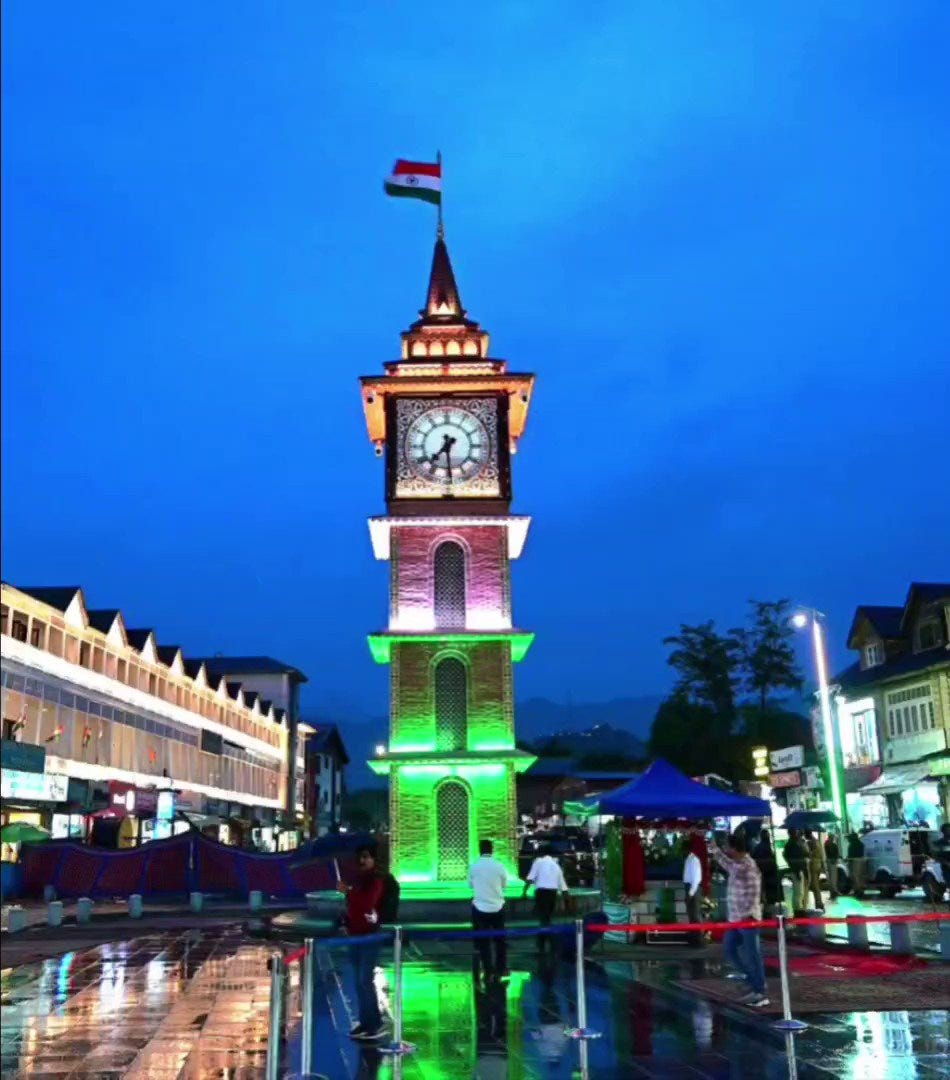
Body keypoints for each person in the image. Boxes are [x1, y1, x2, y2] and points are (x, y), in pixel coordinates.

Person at [709, 831, 768, 1007]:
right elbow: (726, 864)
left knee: (752, 955)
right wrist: (714, 848)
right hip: (735, 919)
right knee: (729, 950)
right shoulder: (738, 864)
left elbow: (752, 894)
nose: (726, 850)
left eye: (727, 847)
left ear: (734, 849)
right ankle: (752, 981)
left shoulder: (747, 866)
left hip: (746, 919)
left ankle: (759, 990)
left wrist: (747, 914)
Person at [337, 844, 387, 1041]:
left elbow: (367, 903)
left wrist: (348, 891)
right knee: (358, 982)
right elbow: (355, 907)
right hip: (355, 935)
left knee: (364, 980)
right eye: (361, 857)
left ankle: (374, 1023)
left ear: (373, 859)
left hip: (369, 936)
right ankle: (366, 1021)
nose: (362, 861)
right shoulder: (358, 881)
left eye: (366, 857)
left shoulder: (375, 881)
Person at [468, 839, 509, 981]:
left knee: (483, 940)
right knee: (500, 940)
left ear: (480, 850)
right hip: (498, 906)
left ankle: (488, 968)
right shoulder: (499, 865)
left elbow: (470, 885)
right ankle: (501, 968)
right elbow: (504, 884)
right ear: (492, 850)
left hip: (480, 907)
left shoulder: (474, 866)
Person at [524, 845, 568, 952]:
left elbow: (530, 878)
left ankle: (547, 941)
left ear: (540, 853)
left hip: (541, 893)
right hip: (552, 894)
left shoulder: (538, 862)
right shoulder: (556, 865)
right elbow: (562, 884)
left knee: (543, 918)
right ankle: (546, 941)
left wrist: (524, 891)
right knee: (546, 917)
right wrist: (566, 899)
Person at [752, 829, 784, 915]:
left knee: (763, 893)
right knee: (768, 894)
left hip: (762, 873)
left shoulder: (758, 847)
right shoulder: (767, 847)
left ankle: (764, 910)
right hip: (769, 874)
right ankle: (767, 911)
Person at [682, 830, 704, 947]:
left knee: (695, 915)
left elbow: (696, 879)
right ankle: (694, 939)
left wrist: (690, 893)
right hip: (689, 888)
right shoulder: (688, 859)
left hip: (693, 889)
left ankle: (698, 941)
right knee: (691, 915)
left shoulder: (694, 860)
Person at [783, 829, 807, 916]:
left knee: (798, 890)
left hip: (796, 869)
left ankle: (798, 908)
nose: (797, 833)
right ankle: (798, 909)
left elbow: (785, 855)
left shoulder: (791, 844)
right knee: (798, 891)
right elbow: (798, 856)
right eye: (795, 832)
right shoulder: (792, 844)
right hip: (796, 869)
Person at [804, 830, 826, 911]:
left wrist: (806, 852)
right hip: (818, 865)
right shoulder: (817, 841)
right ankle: (819, 903)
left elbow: (809, 854)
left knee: (815, 886)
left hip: (813, 866)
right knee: (816, 886)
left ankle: (819, 904)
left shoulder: (811, 843)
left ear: (808, 834)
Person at [847, 831, 866, 896]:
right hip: (861, 860)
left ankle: (857, 889)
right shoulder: (861, 844)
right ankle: (861, 888)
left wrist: (848, 859)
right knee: (860, 875)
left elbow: (850, 854)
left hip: (855, 861)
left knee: (855, 875)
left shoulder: (852, 844)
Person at [823, 832, 841, 898]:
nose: (833, 838)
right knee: (833, 877)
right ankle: (834, 891)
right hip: (832, 862)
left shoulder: (827, 844)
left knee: (832, 877)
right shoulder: (830, 844)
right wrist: (835, 858)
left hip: (830, 861)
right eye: (832, 837)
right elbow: (833, 853)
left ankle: (833, 891)